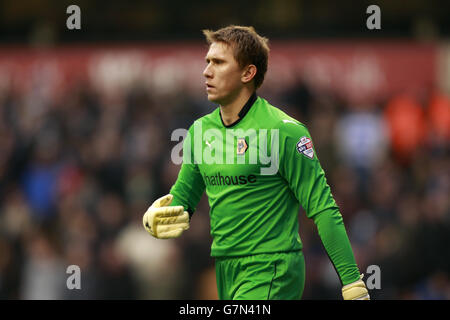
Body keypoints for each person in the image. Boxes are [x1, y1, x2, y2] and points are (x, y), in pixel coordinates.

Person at [142, 25, 369, 300]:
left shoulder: (284, 131)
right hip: (226, 268)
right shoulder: (199, 132)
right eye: (207, 62)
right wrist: (166, 213)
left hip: (273, 267)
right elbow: (184, 199)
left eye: (219, 62)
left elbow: (322, 208)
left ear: (248, 73)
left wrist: (351, 281)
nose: (206, 71)